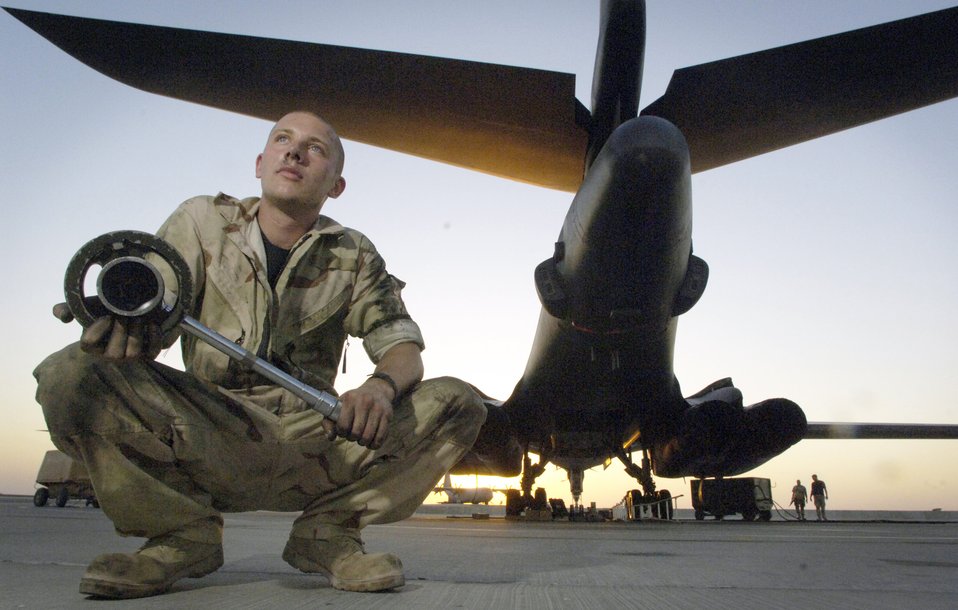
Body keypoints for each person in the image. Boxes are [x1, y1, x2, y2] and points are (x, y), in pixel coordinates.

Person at [33, 111, 487, 599]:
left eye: (316, 148)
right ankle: (182, 537)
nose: (294, 152)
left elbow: (403, 350)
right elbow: (152, 316)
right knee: (70, 375)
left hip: (316, 438)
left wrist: (379, 388)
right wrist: (125, 331)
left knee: (459, 404)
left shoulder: (353, 253)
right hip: (208, 432)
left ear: (336, 185)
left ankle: (327, 534)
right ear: (259, 162)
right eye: (283, 140)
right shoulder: (201, 221)